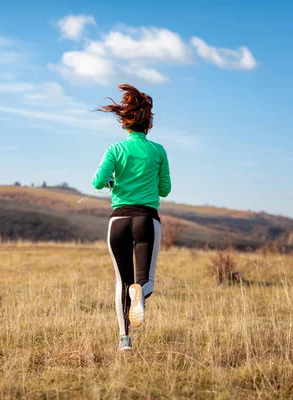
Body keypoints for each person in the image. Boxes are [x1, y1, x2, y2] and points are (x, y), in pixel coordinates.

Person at [92, 84, 171, 351]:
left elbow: (97, 181)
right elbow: (165, 190)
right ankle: (140, 296)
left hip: (118, 222)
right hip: (146, 221)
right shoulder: (158, 151)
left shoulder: (115, 149)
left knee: (120, 282)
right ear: (148, 125)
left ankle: (124, 341)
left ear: (125, 124)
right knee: (143, 281)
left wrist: (112, 184)